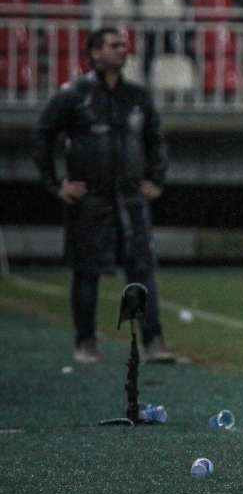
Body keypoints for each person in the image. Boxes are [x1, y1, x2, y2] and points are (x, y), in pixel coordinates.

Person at [31, 27, 176, 365]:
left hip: (130, 199)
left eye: (124, 44)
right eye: (114, 45)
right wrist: (56, 183)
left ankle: (152, 339)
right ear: (94, 53)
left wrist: (156, 179)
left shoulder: (137, 97)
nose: (122, 50)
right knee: (86, 271)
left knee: (141, 270)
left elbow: (157, 139)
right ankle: (85, 341)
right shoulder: (73, 95)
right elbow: (42, 136)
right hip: (91, 199)